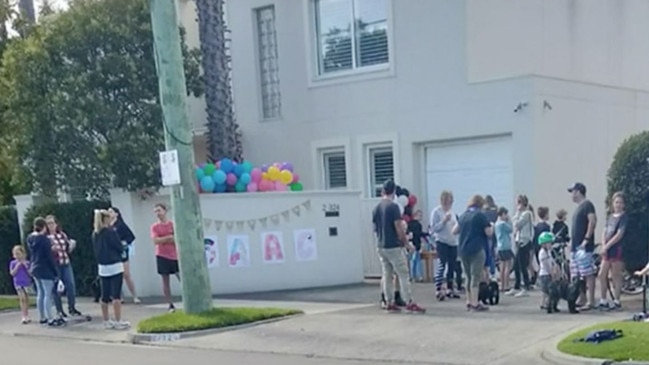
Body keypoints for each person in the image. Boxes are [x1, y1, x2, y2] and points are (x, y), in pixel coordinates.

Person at [373, 180, 425, 313]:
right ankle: (409, 301)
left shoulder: (376, 208)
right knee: (403, 273)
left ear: (382, 191)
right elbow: (398, 227)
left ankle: (388, 301)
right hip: (393, 246)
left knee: (387, 274)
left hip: (381, 245)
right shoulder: (393, 207)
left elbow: (375, 228)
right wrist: (406, 243)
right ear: (394, 192)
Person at [453, 194, 493, 312]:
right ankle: (475, 303)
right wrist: (492, 227)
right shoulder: (480, 215)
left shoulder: (464, 215)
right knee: (476, 277)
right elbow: (489, 232)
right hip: (476, 248)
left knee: (467, 276)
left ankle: (468, 301)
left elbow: (454, 230)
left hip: (463, 249)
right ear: (480, 204)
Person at [92, 209, 130, 330]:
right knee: (116, 294)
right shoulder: (111, 232)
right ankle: (118, 320)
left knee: (105, 295)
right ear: (106, 219)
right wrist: (122, 248)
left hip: (102, 267)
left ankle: (106, 320)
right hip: (115, 265)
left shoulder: (95, 234)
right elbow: (119, 247)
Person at [27, 217, 64, 327]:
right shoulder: (45, 240)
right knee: (48, 294)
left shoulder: (30, 238)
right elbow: (49, 257)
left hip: (35, 267)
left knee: (40, 293)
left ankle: (42, 317)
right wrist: (55, 272)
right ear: (44, 227)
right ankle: (50, 318)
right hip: (45, 269)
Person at [45, 215, 82, 319]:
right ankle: (59, 310)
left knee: (70, 285)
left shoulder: (62, 235)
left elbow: (67, 249)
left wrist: (71, 246)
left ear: (56, 224)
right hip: (55, 265)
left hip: (65, 262)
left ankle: (72, 307)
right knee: (57, 289)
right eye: (48, 224)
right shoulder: (46, 238)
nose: (51, 226)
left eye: (52, 223)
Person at [568, 182, 597, 311]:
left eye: (573, 192)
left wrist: (586, 239)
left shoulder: (587, 205)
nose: (572, 195)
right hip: (575, 247)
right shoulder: (579, 207)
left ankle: (591, 301)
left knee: (587, 273)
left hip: (584, 246)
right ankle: (582, 297)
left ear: (578, 192)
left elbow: (592, 221)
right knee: (577, 273)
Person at [598, 192, 627, 310]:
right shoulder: (610, 217)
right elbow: (604, 231)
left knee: (616, 275)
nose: (618, 205)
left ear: (623, 204)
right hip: (607, 250)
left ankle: (616, 300)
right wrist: (603, 245)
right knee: (601, 274)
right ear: (613, 204)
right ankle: (603, 300)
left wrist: (608, 246)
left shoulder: (624, 217)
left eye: (620, 202)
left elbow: (619, 234)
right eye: (616, 202)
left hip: (617, 249)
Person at [151, 203, 180, 313]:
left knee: (181, 277)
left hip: (174, 255)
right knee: (165, 281)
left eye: (159, 210)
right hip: (161, 255)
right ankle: (170, 304)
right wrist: (168, 237)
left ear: (165, 211)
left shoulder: (172, 224)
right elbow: (155, 241)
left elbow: (176, 239)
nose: (158, 213)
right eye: (156, 211)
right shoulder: (154, 227)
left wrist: (164, 239)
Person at [430, 190, 459, 300]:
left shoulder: (453, 212)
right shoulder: (436, 212)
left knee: (452, 266)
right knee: (441, 265)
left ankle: (450, 288)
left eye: (450, 201)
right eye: (447, 201)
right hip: (442, 241)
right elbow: (434, 229)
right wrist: (443, 221)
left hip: (453, 242)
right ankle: (438, 289)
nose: (449, 203)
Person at [108, 207, 141, 304]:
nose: (109, 213)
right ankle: (118, 296)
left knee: (126, 274)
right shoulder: (107, 226)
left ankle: (134, 295)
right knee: (116, 275)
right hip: (112, 253)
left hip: (122, 252)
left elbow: (131, 236)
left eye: (111, 212)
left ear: (116, 214)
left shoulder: (121, 225)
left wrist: (124, 242)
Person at [510, 195, 534, 297]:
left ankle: (526, 286)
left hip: (525, 241)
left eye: (518, 203)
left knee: (522, 265)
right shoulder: (520, 214)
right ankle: (516, 286)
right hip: (519, 241)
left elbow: (517, 224)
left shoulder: (527, 214)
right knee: (516, 265)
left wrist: (518, 213)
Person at [9, 245, 31, 324]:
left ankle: (27, 314)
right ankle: (23, 316)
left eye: (19, 254)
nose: (17, 256)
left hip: (26, 282)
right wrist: (17, 266)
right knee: (22, 299)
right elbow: (12, 273)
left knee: (26, 299)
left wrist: (25, 266)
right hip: (18, 283)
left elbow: (30, 273)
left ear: (23, 254)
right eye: (16, 254)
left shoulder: (27, 263)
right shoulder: (13, 263)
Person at [495, 207, 514, 292]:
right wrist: (509, 220)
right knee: (507, 266)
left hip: (500, 246)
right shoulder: (503, 224)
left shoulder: (496, 223)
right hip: (506, 246)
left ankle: (502, 285)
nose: (506, 216)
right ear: (502, 214)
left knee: (502, 266)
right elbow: (511, 229)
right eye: (505, 214)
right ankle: (506, 284)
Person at [537, 232, 556, 310]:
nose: (551, 245)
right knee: (547, 290)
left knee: (546, 290)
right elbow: (546, 265)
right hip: (545, 274)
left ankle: (544, 303)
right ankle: (545, 303)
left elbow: (552, 262)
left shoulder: (548, 252)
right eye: (549, 243)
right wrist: (551, 272)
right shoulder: (542, 253)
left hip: (547, 273)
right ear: (543, 244)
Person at [407, 210, 426, 282]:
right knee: (416, 261)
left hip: (410, 244)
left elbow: (409, 234)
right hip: (416, 244)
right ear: (416, 216)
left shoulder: (409, 224)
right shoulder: (418, 225)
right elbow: (419, 235)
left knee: (413, 260)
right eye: (420, 215)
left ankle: (413, 276)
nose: (421, 217)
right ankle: (418, 276)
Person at [483, 195, 498, 278]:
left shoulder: (484, 211)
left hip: (487, 234)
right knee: (493, 253)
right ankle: (493, 273)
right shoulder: (495, 210)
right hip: (494, 235)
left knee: (488, 253)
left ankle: (489, 272)